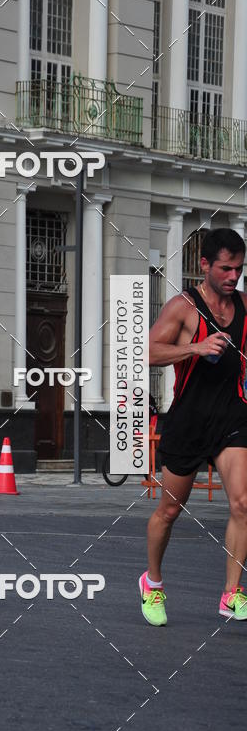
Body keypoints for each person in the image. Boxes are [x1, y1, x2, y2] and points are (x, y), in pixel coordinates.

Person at [141, 228, 247, 626]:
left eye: (238, 268)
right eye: (225, 268)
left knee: (243, 504)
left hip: (234, 420)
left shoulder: (245, 307)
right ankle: (152, 583)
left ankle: (231, 593)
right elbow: (148, 352)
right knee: (169, 510)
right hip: (188, 422)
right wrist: (195, 348)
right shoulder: (184, 307)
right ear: (203, 265)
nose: (232, 276)